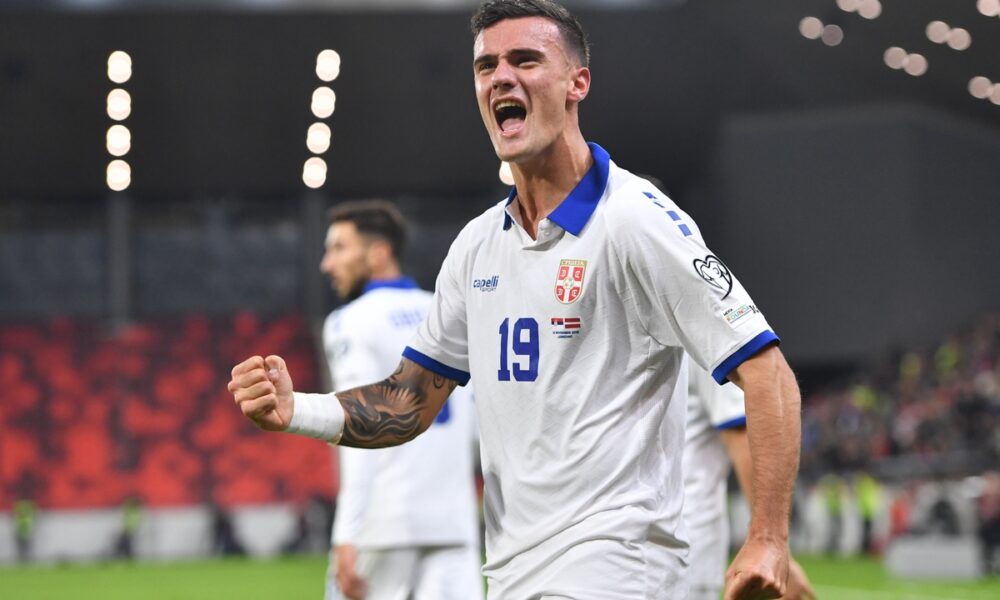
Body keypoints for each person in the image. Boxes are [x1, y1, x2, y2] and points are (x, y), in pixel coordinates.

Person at [228, 1, 801, 597]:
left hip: (616, 565)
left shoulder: (636, 221)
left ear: (577, 82)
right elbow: (407, 404)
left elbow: (768, 372)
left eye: (526, 60)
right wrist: (298, 411)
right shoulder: (477, 248)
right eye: (486, 66)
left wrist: (768, 536)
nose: (501, 77)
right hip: (509, 569)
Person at [316, 200, 482, 600]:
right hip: (454, 524)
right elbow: (479, 425)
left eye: (339, 248)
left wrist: (347, 532)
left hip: (384, 526)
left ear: (378, 253)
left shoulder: (349, 322)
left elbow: (361, 426)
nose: (327, 263)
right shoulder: (445, 311)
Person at [684, 360, 815, 600]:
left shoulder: (701, 337)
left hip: (680, 549)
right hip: (663, 543)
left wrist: (770, 546)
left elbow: (744, 438)